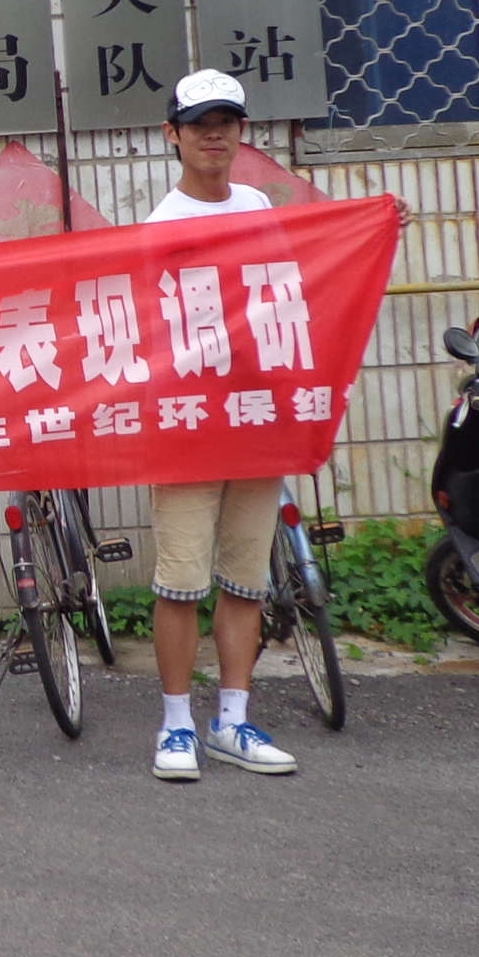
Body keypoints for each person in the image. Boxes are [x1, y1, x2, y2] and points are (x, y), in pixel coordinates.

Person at [141, 69, 291, 784]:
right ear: (172, 134)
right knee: (180, 582)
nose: (213, 135)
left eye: (225, 122)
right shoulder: (159, 227)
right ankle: (176, 723)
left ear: (241, 132)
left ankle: (232, 718)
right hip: (187, 427)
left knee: (245, 578)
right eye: (199, 123)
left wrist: (379, 227)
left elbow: (296, 293)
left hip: (256, 419)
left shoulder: (259, 207)